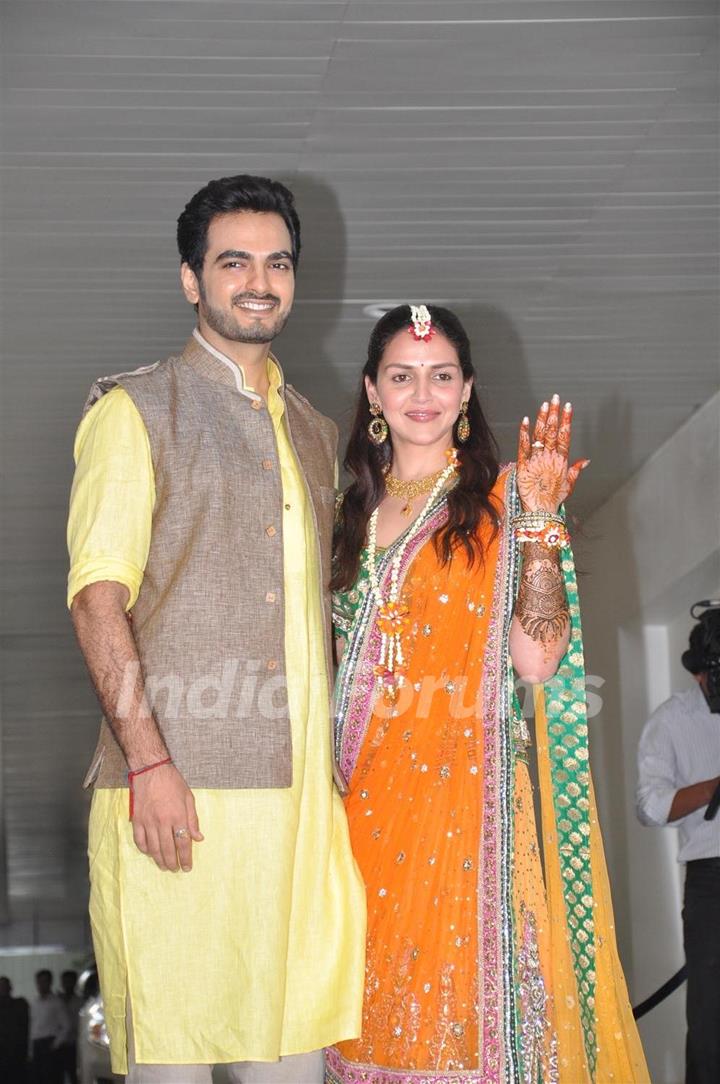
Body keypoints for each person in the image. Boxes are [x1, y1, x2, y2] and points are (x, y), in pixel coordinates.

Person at [67, 174, 365, 1083]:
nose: (259, 282)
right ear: (192, 280)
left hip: (300, 823)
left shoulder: (319, 433)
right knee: (173, 1065)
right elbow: (95, 602)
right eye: (234, 262)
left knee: (295, 1065)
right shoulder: (135, 411)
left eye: (278, 263)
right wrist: (150, 763)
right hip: (176, 805)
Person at [326, 304, 649, 1083]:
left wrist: (539, 526)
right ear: (373, 393)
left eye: (441, 376)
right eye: (402, 376)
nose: (422, 393)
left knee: (470, 1019)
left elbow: (536, 664)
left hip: (467, 807)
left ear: (467, 390)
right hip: (355, 805)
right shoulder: (344, 515)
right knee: (363, 1020)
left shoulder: (504, 500)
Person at [636, 605, 720, 1084]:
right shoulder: (671, 720)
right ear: (700, 672)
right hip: (713, 880)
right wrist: (711, 787)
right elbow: (649, 806)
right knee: (711, 1018)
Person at [29, 970, 64, 1084]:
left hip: (49, 1043)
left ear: (50, 982)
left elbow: (67, 1025)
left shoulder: (56, 1002)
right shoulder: (34, 1002)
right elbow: (32, 1025)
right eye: (39, 982)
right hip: (37, 1044)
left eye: (44, 982)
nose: (41, 985)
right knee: (37, 1077)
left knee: (51, 1077)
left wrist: (55, 1044)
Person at [0, 975, 29, 1084]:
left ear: (10, 988)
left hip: (17, 1053)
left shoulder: (20, 1004)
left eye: (4, 986)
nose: (2, 989)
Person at [56, 971, 81, 1084]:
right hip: (58, 1044)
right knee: (57, 1074)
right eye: (65, 982)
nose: (67, 984)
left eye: (70, 981)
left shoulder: (80, 1001)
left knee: (73, 1073)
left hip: (74, 1043)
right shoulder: (56, 1000)